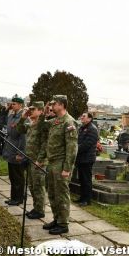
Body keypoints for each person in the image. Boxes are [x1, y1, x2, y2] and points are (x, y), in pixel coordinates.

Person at [41, 95, 78, 235]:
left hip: (61, 164)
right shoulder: (56, 121)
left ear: (62, 105)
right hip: (52, 163)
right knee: (52, 194)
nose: (51, 106)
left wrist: (67, 169)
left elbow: (72, 148)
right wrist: (44, 112)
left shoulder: (69, 122)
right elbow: (41, 126)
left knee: (61, 195)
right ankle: (57, 219)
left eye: (54, 104)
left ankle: (63, 223)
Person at [16, 101, 47, 219]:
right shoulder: (31, 124)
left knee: (38, 186)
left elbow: (45, 144)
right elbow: (19, 129)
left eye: (33, 109)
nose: (30, 111)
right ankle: (36, 208)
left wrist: (40, 160)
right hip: (30, 160)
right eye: (30, 109)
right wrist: (23, 118)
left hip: (38, 161)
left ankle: (40, 210)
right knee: (32, 186)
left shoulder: (42, 125)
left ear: (40, 111)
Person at [2, 96, 26, 206]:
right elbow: (9, 131)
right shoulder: (11, 115)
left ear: (20, 105)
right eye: (12, 103)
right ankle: (13, 197)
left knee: (18, 177)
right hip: (10, 147)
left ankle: (19, 198)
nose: (12, 105)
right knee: (12, 176)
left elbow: (24, 137)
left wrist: (20, 153)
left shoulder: (24, 117)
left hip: (17, 149)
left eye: (15, 103)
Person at [74, 112, 98, 206]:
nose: (82, 117)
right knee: (81, 179)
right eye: (82, 116)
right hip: (81, 158)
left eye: (84, 116)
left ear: (90, 119)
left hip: (87, 158)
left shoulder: (92, 129)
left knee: (86, 179)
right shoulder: (82, 128)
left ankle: (87, 200)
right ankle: (82, 197)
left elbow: (87, 145)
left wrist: (75, 149)